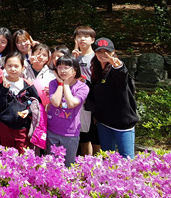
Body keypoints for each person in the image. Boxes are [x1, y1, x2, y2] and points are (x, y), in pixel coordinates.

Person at [88, 38, 138, 159]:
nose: (103, 55)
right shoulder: (97, 70)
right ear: (95, 53)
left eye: (107, 52)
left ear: (113, 52)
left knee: (127, 159)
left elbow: (121, 76)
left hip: (123, 123)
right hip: (104, 122)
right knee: (108, 158)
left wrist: (118, 66)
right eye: (100, 52)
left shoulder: (116, 68)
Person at [46, 55, 89, 166]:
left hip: (70, 133)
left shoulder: (82, 87)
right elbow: (55, 102)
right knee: (51, 164)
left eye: (66, 67)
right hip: (52, 130)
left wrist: (65, 84)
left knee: (68, 165)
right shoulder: (53, 83)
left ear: (74, 70)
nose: (62, 71)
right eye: (59, 67)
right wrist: (61, 84)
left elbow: (71, 104)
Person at [0, 52, 39, 153]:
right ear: (4, 67)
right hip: (5, 126)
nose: (13, 69)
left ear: (22, 68)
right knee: (7, 154)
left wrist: (28, 111)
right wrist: (4, 89)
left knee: (23, 154)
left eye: (16, 66)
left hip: (23, 127)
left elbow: (36, 103)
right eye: (9, 66)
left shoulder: (28, 85)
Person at [72, 25, 101, 157]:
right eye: (79, 36)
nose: (82, 39)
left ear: (92, 40)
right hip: (79, 102)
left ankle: (98, 165)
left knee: (96, 137)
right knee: (83, 136)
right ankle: (85, 164)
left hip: (94, 101)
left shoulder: (97, 57)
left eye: (86, 36)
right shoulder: (74, 58)